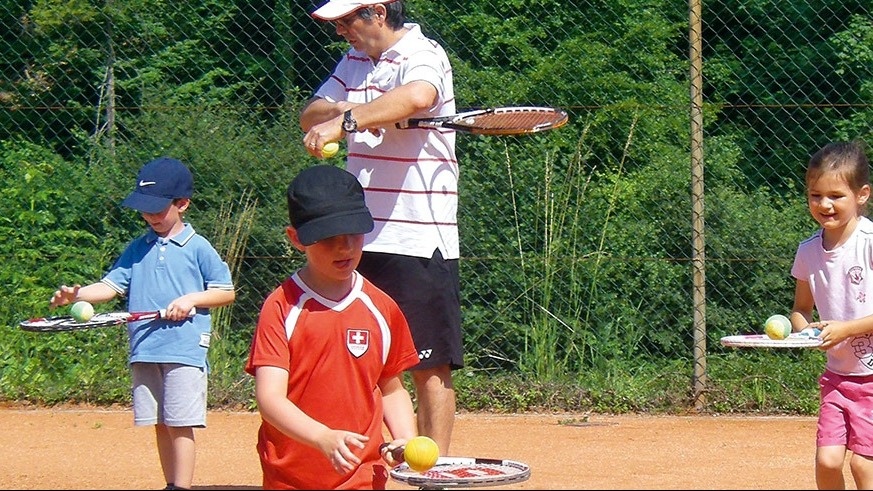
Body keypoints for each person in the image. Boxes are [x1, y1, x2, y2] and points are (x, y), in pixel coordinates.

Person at [299, 0, 463, 456]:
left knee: (430, 366)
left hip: (418, 236)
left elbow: (417, 98)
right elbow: (311, 113)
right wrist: (360, 108)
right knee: (359, 360)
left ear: (377, 11)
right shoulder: (353, 61)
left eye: (348, 20)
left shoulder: (423, 52)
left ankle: (436, 473)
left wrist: (348, 118)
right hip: (358, 237)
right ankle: (359, 464)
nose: (340, 31)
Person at [49, 156, 236, 491]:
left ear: (182, 205)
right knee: (160, 422)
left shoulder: (198, 248)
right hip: (146, 347)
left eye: (158, 209)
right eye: (145, 209)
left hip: (184, 350)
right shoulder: (138, 248)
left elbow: (225, 292)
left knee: (181, 422)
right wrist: (78, 295)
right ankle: (170, 484)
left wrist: (190, 300)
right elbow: (110, 286)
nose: (150, 216)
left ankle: (182, 486)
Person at [244, 164, 420, 489]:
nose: (345, 247)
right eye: (328, 238)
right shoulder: (281, 306)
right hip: (290, 477)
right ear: (296, 239)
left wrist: (405, 439)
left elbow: (392, 389)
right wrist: (321, 436)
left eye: (353, 232)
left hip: (362, 476)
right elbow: (270, 399)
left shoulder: (381, 307)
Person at [788, 140, 873, 489]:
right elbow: (800, 309)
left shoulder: (869, 242)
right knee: (827, 461)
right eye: (815, 195)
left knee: (864, 469)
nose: (824, 204)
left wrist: (846, 330)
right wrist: (805, 332)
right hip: (837, 378)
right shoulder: (808, 251)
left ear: (861, 195)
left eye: (836, 195)